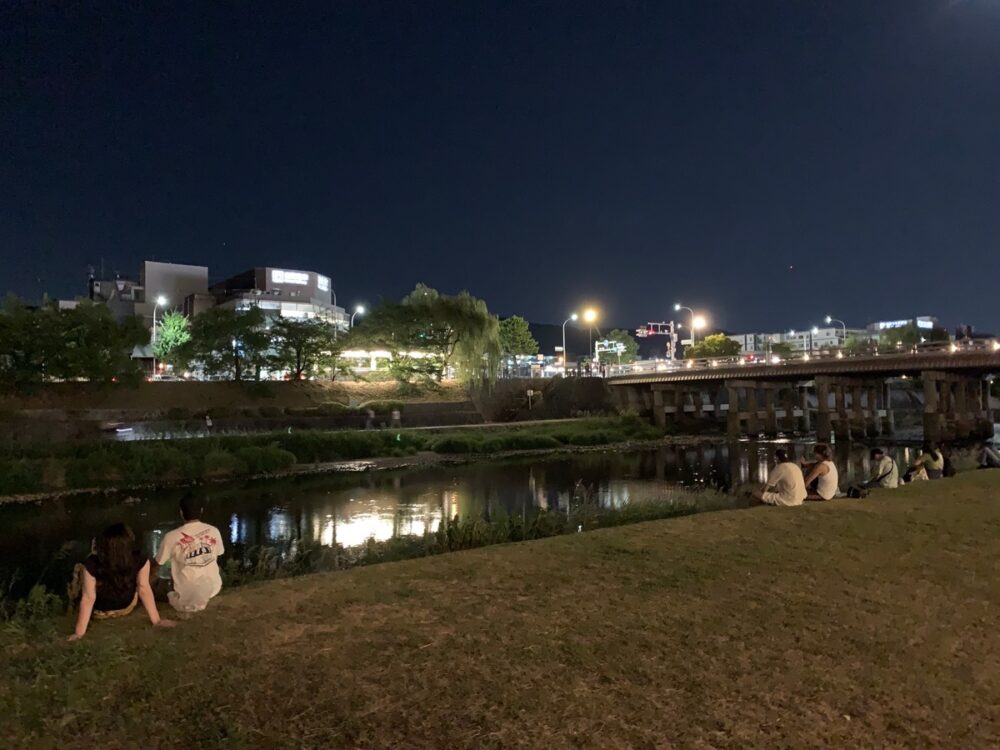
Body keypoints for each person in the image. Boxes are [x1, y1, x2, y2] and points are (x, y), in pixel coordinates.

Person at [69, 523, 175, 641]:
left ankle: (70, 607)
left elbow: (88, 598)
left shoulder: (93, 563)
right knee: (143, 582)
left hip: (100, 612)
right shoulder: (140, 559)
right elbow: (143, 589)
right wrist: (157, 620)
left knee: (80, 571)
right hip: (126, 607)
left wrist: (79, 633)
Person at [154, 493, 225, 614]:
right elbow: (218, 554)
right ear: (201, 510)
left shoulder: (171, 537)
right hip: (213, 588)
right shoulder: (213, 531)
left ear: (181, 512)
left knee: (157, 583)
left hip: (185, 592)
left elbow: (157, 563)